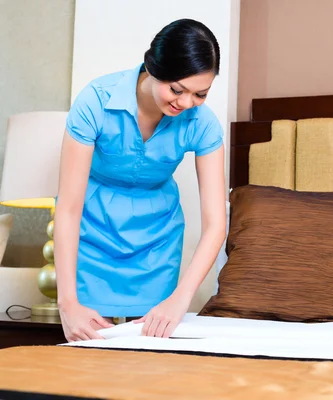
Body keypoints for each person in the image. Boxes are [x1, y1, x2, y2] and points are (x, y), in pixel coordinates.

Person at [54, 19, 227, 342]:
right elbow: (68, 208)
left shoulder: (202, 123)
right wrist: (68, 303)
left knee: (149, 358)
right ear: (153, 66)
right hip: (92, 234)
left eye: (200, 94)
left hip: (156, 243)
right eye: (177, 89)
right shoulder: (95, 101)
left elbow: (216, 223)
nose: (186, 103)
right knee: (89, 356)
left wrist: (180, 300)